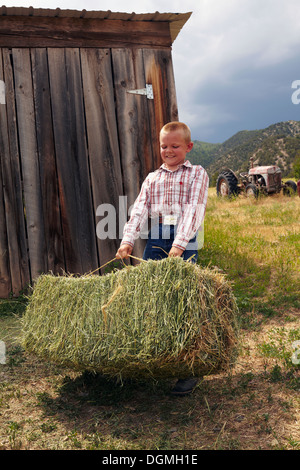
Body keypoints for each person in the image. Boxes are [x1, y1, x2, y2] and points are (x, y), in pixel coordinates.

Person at [116, 121, 209, 395]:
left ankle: (188, 370)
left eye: (175, 146)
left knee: (183, 300)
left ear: (188, 147)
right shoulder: (152, 178)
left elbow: (194, 210)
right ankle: (155, 360)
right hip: (157, 236)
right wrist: (127, 240)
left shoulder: (196, 174)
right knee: (150, 295)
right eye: (164, 146)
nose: (168, 151)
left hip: (185, 237)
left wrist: (180, 245)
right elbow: (140, 210)